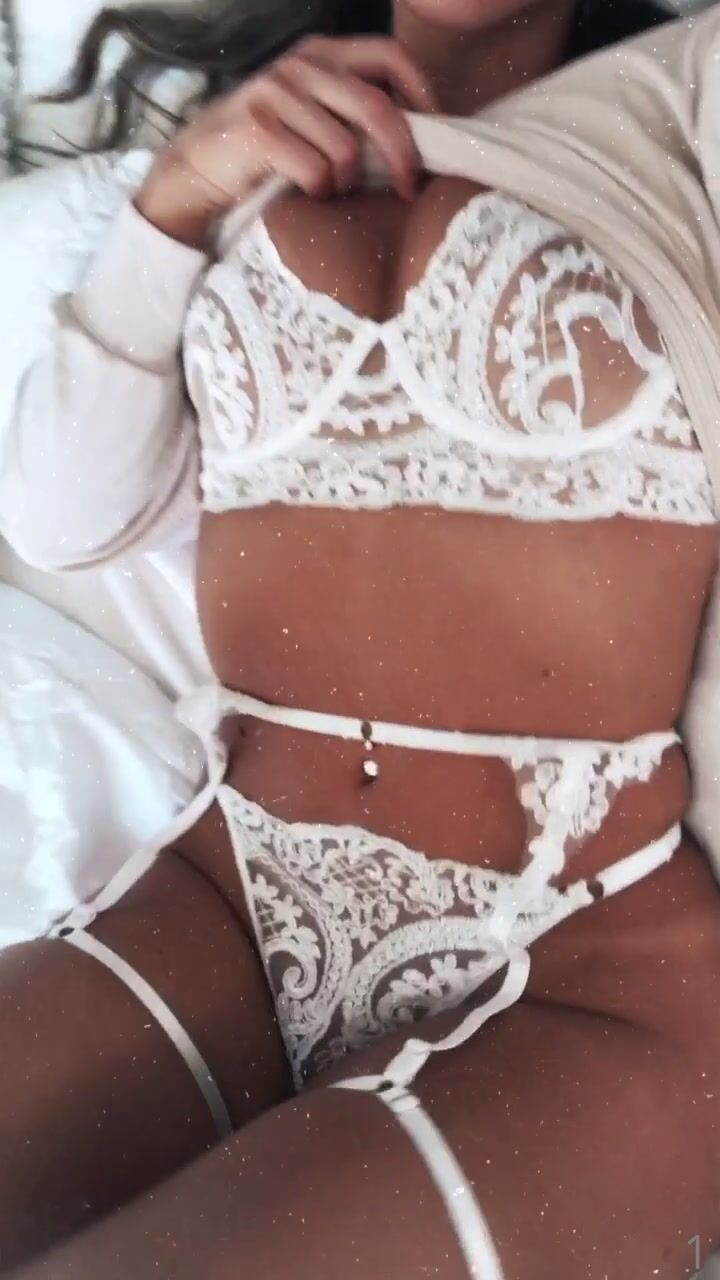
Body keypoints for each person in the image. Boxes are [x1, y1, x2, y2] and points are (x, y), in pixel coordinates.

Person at [2, 1, 720, 1276]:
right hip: (234, 892)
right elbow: (65, 519)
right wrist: (174, 198)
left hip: (584, 956)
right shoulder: (249, 158)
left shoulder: (689, 90)